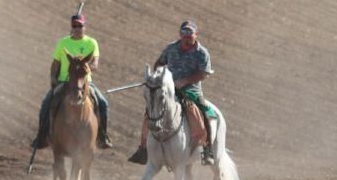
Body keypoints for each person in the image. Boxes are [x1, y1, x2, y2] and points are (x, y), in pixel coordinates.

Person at [128, 20, 217, 166]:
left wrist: (185, 81)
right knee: (150, 110)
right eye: (184, 32)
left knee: (203, 110)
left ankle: (207, 149)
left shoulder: (202, 53)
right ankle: (143, 148)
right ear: (180, 34)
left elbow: (204, 74)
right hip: (169, 89)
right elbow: (159, 63)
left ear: (196, 34)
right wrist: (156, 78)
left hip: (191, 90)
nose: (187, 36)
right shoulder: (171, 48)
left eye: (190, 33)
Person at [32, 13, 112, 150]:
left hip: (85, 83)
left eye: (80, 26)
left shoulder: (91, 43)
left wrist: (85, 67)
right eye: (74, 26)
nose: (77, 28)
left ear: (85, 27)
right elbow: (55, 64)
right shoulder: (63, 43)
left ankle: (102, 136)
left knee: (103, 103)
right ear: (71, 27)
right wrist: (53, 78)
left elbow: (95, 64)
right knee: (46, 103)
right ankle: (42, 136)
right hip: (64, 82)